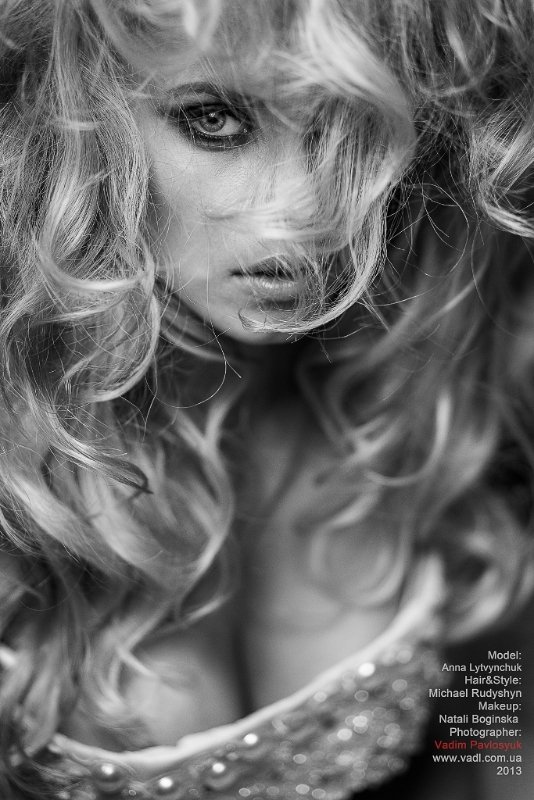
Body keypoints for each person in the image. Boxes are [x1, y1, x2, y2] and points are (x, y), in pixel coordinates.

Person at [0, 1, 533, 798]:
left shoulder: (421, 411)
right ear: (76, 113)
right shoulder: (21, 489)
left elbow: (488, 747)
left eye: (347, 131)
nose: (303, 215)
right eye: (214, 120)